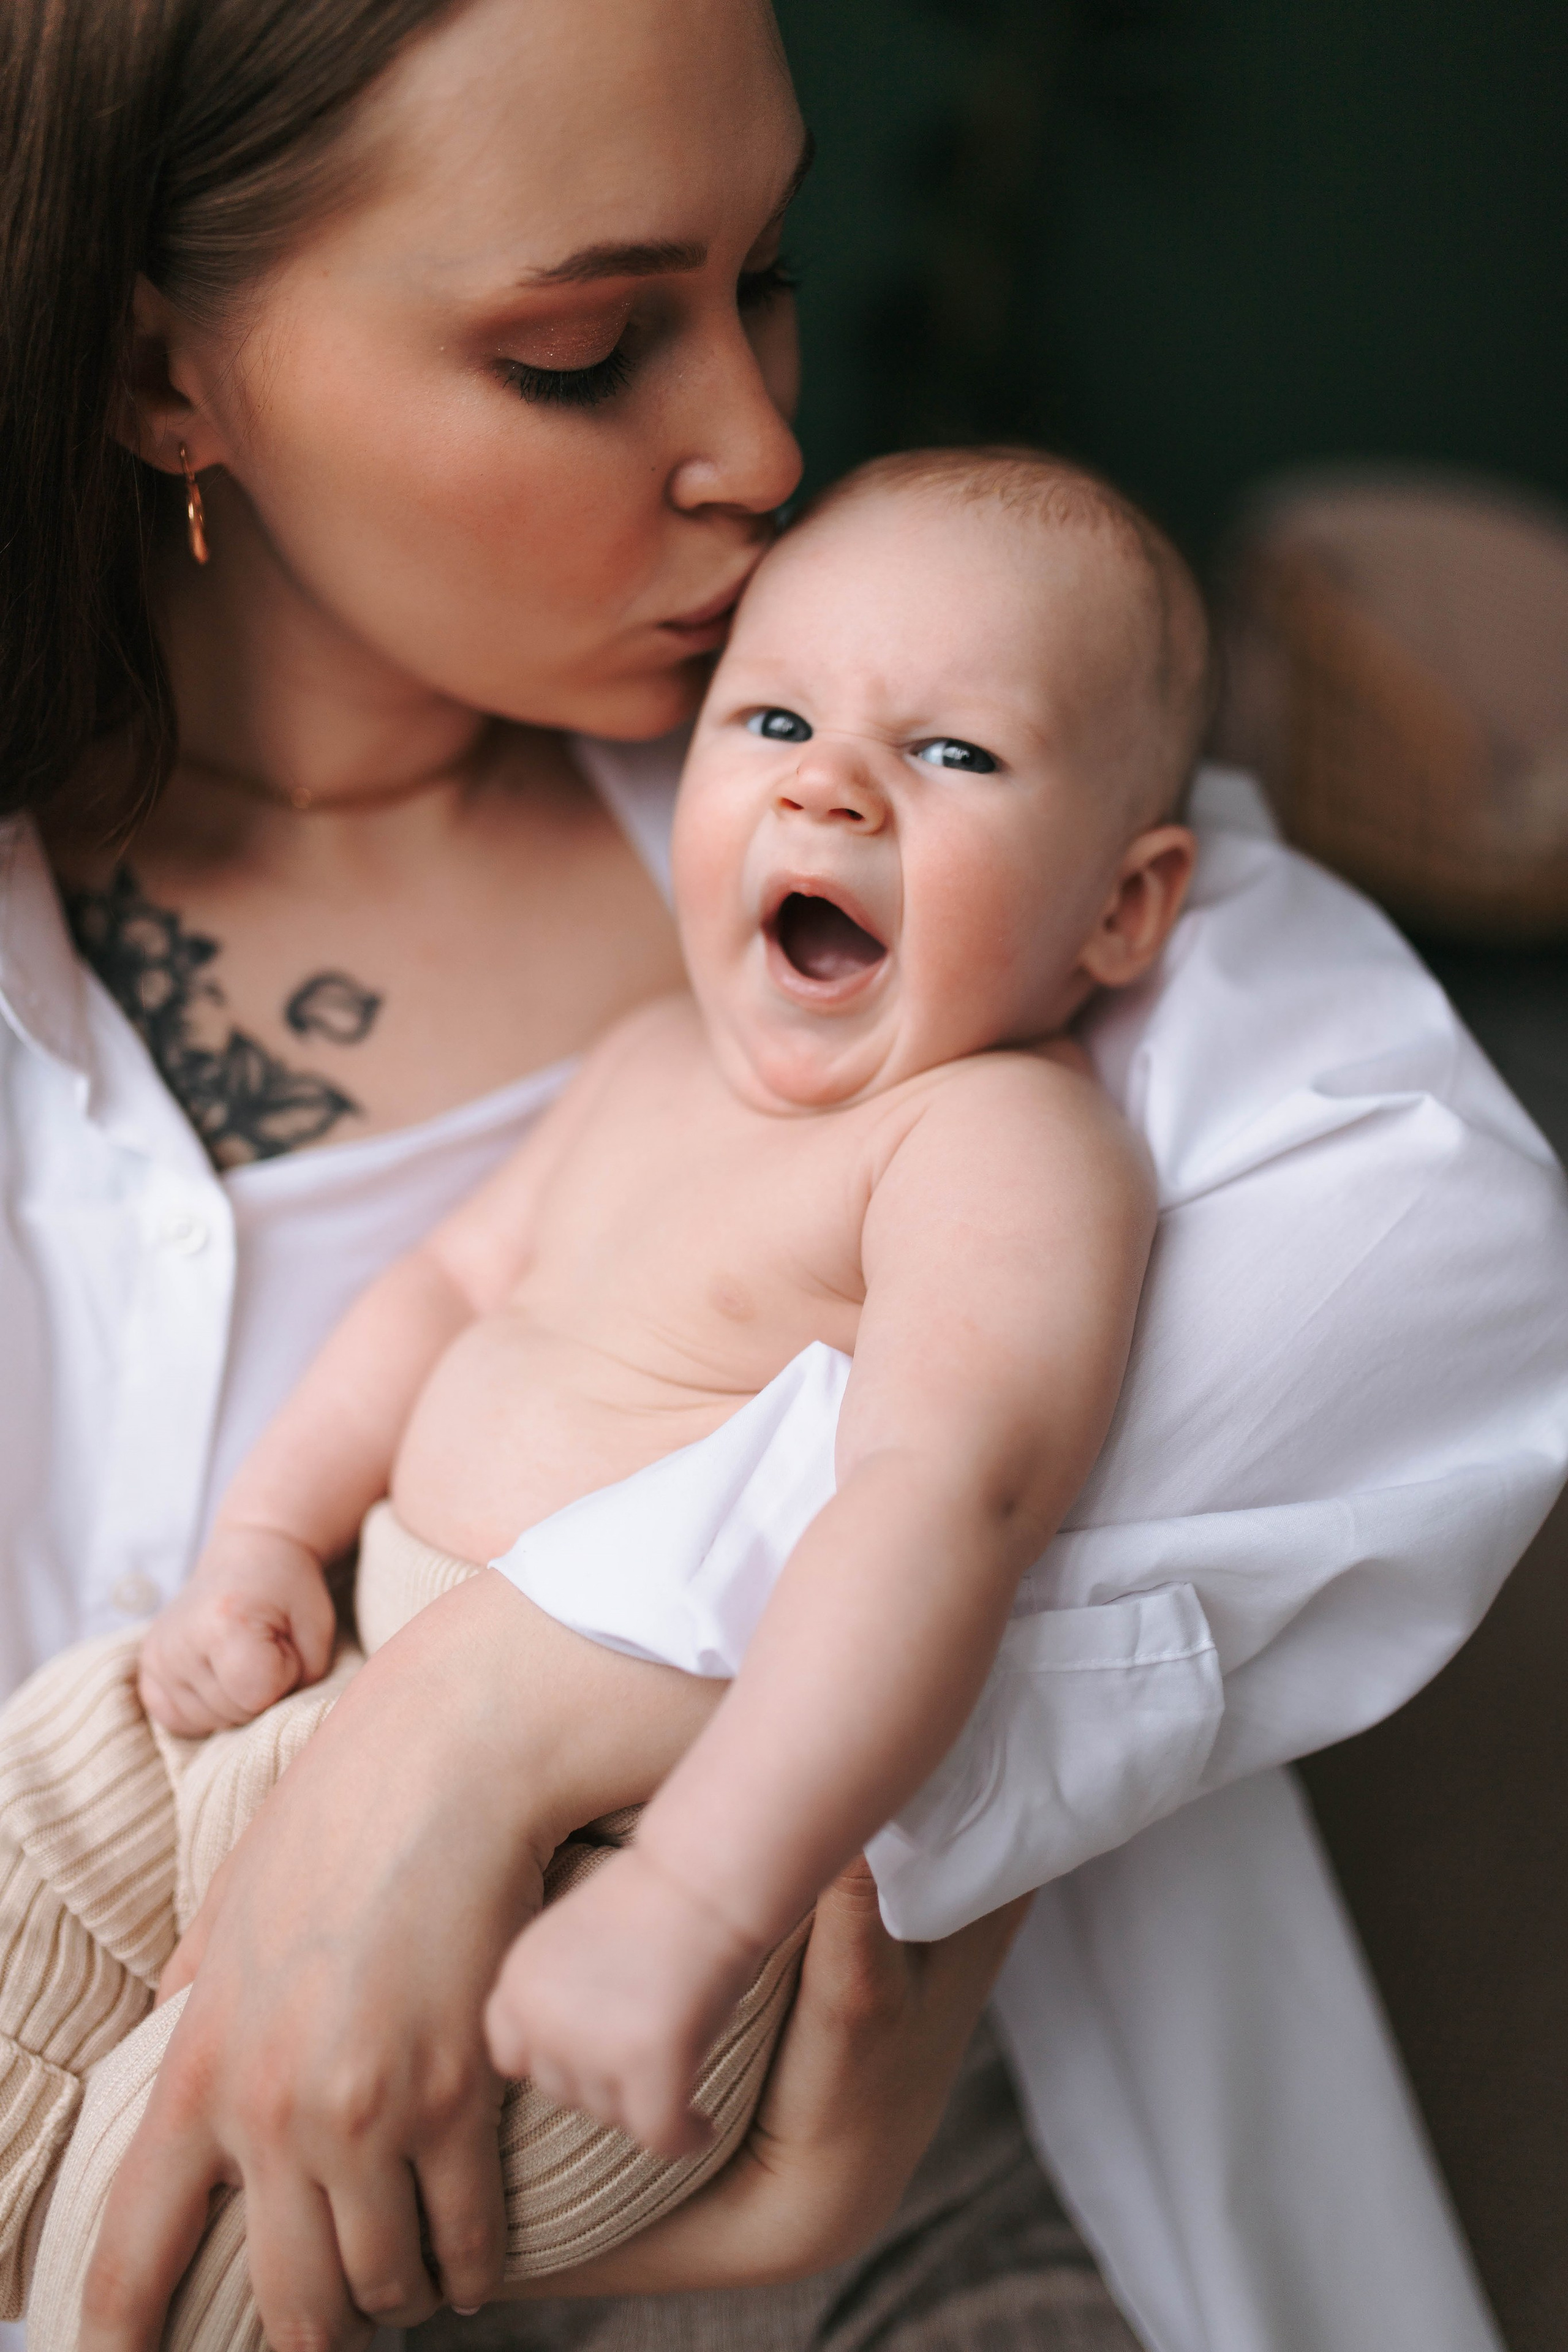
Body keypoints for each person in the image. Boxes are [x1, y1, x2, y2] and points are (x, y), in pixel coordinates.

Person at [1, 3, 1564, 2351]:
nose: (762, 447)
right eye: (584, 349)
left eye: (769, 279)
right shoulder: (784, 829)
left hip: (860, 2175)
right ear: (163, 377)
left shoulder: (981, 792)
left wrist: (502, 1704)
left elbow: (1442, 1263)